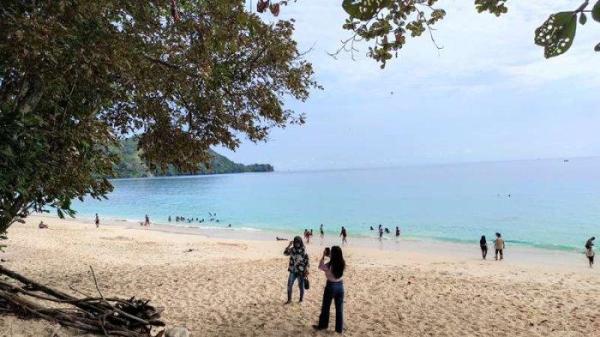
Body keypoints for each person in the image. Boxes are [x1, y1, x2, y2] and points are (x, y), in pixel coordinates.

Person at [313, 246, 345, 334]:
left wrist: (323, 256)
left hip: (331, 286)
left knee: (326, 307)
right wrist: (330, 256)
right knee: (339, 309)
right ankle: (339, 329)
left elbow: (320, 266)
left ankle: (323, 325)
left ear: (333, 254)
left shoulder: (329, 265)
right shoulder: (342, 263)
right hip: (340, 286)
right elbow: (336, 259)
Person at [284, 236, 310, 304]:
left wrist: (306, 269)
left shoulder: (303, 250)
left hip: (301, 271)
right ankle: (289, 300)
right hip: (292, 270)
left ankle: (301, 300)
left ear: (300, 242)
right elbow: (285, 253)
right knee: (289, 285)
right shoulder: (292, 249)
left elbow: (307, 260)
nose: (297, 244)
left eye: (298, 242)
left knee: (301, 286)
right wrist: (289, 245)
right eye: (295, 242)